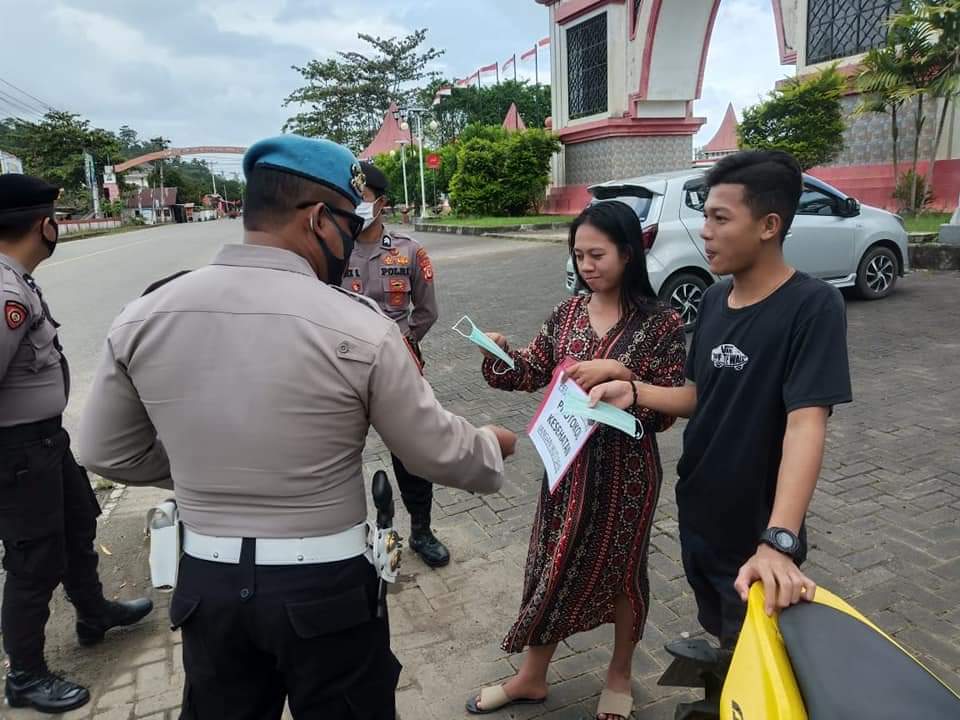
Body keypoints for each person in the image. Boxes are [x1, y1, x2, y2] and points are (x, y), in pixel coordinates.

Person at [77, 135, 517, 720]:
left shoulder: (145, 315)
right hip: (326, 589)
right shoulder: (359, 326)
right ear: (318, 220)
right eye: (349, 223)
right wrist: (491, 447)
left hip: (208, 585)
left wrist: (207, 472)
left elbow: (103, 450)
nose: (352, 239)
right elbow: (433, 452)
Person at [589, 150, 852, 656]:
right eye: (704, 216)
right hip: (700, 508)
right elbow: (700, 394)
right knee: (723, 631)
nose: (705, 231)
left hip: (756, 527)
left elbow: (806, 424)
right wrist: (634, 390)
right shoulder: (713, 300)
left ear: (769, 225)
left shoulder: (813, 306)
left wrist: (779, 541)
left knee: (759, 655)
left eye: (720, 218)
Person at [465, 201, 687, 720]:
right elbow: (530, 370)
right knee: (553, 564)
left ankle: (619, 674)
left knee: (624, 573)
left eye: (597, 254)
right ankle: (532, 676)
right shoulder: (567, 314)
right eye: (578, 254)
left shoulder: (662, 323)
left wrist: (625, 378)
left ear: (628, 253)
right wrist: (497, 353)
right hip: (565, 470)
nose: (586, 265)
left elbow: (669, 405)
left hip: (627, 474)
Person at [0, 174, 153, 714]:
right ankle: (25, 675)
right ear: (44, 225)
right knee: (33, 560)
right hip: (17, 452)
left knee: (78, 525)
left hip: (44, 443)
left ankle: (94, 613)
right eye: (56, 219)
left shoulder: (17, 279)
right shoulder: (5, 291)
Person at [344, 161, 449, 567]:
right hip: (344, 368)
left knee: (411, 451)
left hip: (398, 369)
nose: (355, 205)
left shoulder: (408, 250)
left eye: (362, 198)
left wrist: (402, 345)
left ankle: (421, 530)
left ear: (381, 203)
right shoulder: (333, 251)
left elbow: (426, 311)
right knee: (338, 449)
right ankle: (351, 533)